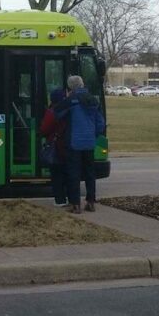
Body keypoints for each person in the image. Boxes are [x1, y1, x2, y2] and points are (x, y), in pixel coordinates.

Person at [57, 75, 106, 214]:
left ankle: (75, 204)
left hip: (74, 143)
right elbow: (100, 123)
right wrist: (93, 134)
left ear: (70, 87)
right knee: (90, 172)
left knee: (74, 173)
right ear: (82, 84)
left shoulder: (71, 100)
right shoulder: (93, 100)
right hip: (89, 143)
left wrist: (66, 97)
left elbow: (57, 114)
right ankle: (90, 202)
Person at [39, 88, 70, 206]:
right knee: (66, 174)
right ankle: (69, 198)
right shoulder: (69, 111)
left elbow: (44, 129)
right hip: (66, 146)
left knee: (56, 175)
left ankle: (60, 200)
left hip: (55, 146)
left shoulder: (52, 112)